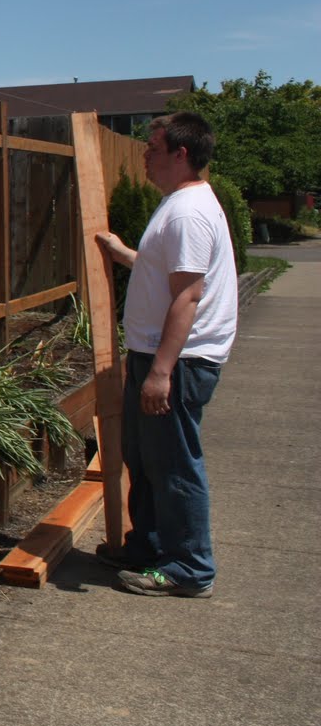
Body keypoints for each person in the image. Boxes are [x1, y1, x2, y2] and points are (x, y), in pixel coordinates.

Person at [95, 111, 237, 598]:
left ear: (180, 153)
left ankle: (189, 569)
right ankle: (149, 548)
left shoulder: (188, 212)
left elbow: (188, 295)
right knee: (146, 457)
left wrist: (160, 372)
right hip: (160, 356)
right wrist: (125, 254)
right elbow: (170, 272)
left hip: (179, 360)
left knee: (174, 464)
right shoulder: (181, 204)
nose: (144, 156)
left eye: (152, 148)